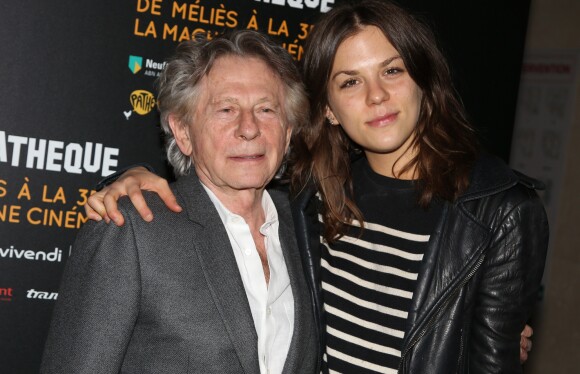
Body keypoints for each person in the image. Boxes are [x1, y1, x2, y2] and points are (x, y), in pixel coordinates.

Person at [86, 1, 547, 373]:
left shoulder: (499, 212)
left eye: (393, 71)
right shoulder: (310, 198)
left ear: (424, 81)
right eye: (350, 82)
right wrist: (129, 179)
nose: (376, 96)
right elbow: (223, 176)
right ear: (327, 109)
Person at [40, 30, 318, 374]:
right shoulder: (132, 231)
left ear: (288, 131)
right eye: (226, 109)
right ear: (184, 133)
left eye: (265, 109)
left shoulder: (310, 232)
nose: (249, 128)